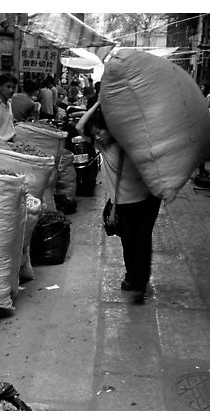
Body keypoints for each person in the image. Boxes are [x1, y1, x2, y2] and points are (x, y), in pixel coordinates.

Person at [76, 101, 161, 303]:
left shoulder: (128, 144)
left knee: (142, 242)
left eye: (100, 132)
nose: (97, 136)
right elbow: (80, 127)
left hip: (146, 201)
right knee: (128, 241)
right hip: (122, 204)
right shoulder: (101, 146)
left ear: (110, 129)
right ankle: (132, 276)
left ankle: (139, 282)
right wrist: (99, 103)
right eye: (95, 133)